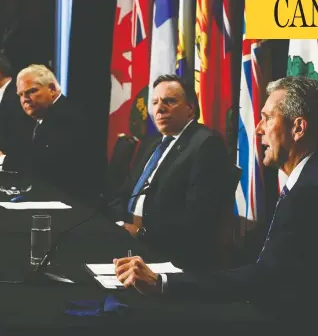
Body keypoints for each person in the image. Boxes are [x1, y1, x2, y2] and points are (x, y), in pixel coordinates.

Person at [114, 76, 318, 325]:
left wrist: (163, 283)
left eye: (267, 117)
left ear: (298, 128)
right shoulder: (305, 179)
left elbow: (267, 278)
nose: (258, 129)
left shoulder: (309, 190)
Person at [107, 74, 233, 270]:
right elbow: (124, 191)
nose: (159, 109)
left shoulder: (206, 144)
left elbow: (197, 217)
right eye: (155, 102)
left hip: (168, 253)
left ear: (190, 109)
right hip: (129, 243)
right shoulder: (153, 142)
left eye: (169, 101)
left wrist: (141, 232)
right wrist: (119, 223)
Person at [0, 64, 95, 198]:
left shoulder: (68, 117)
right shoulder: (44, 114)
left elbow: (45, 167)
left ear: (52, 89)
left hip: (73, 201)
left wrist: (0, 160)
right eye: (21, 94)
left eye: (31, 91)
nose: (25, 100)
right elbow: (26, 150)